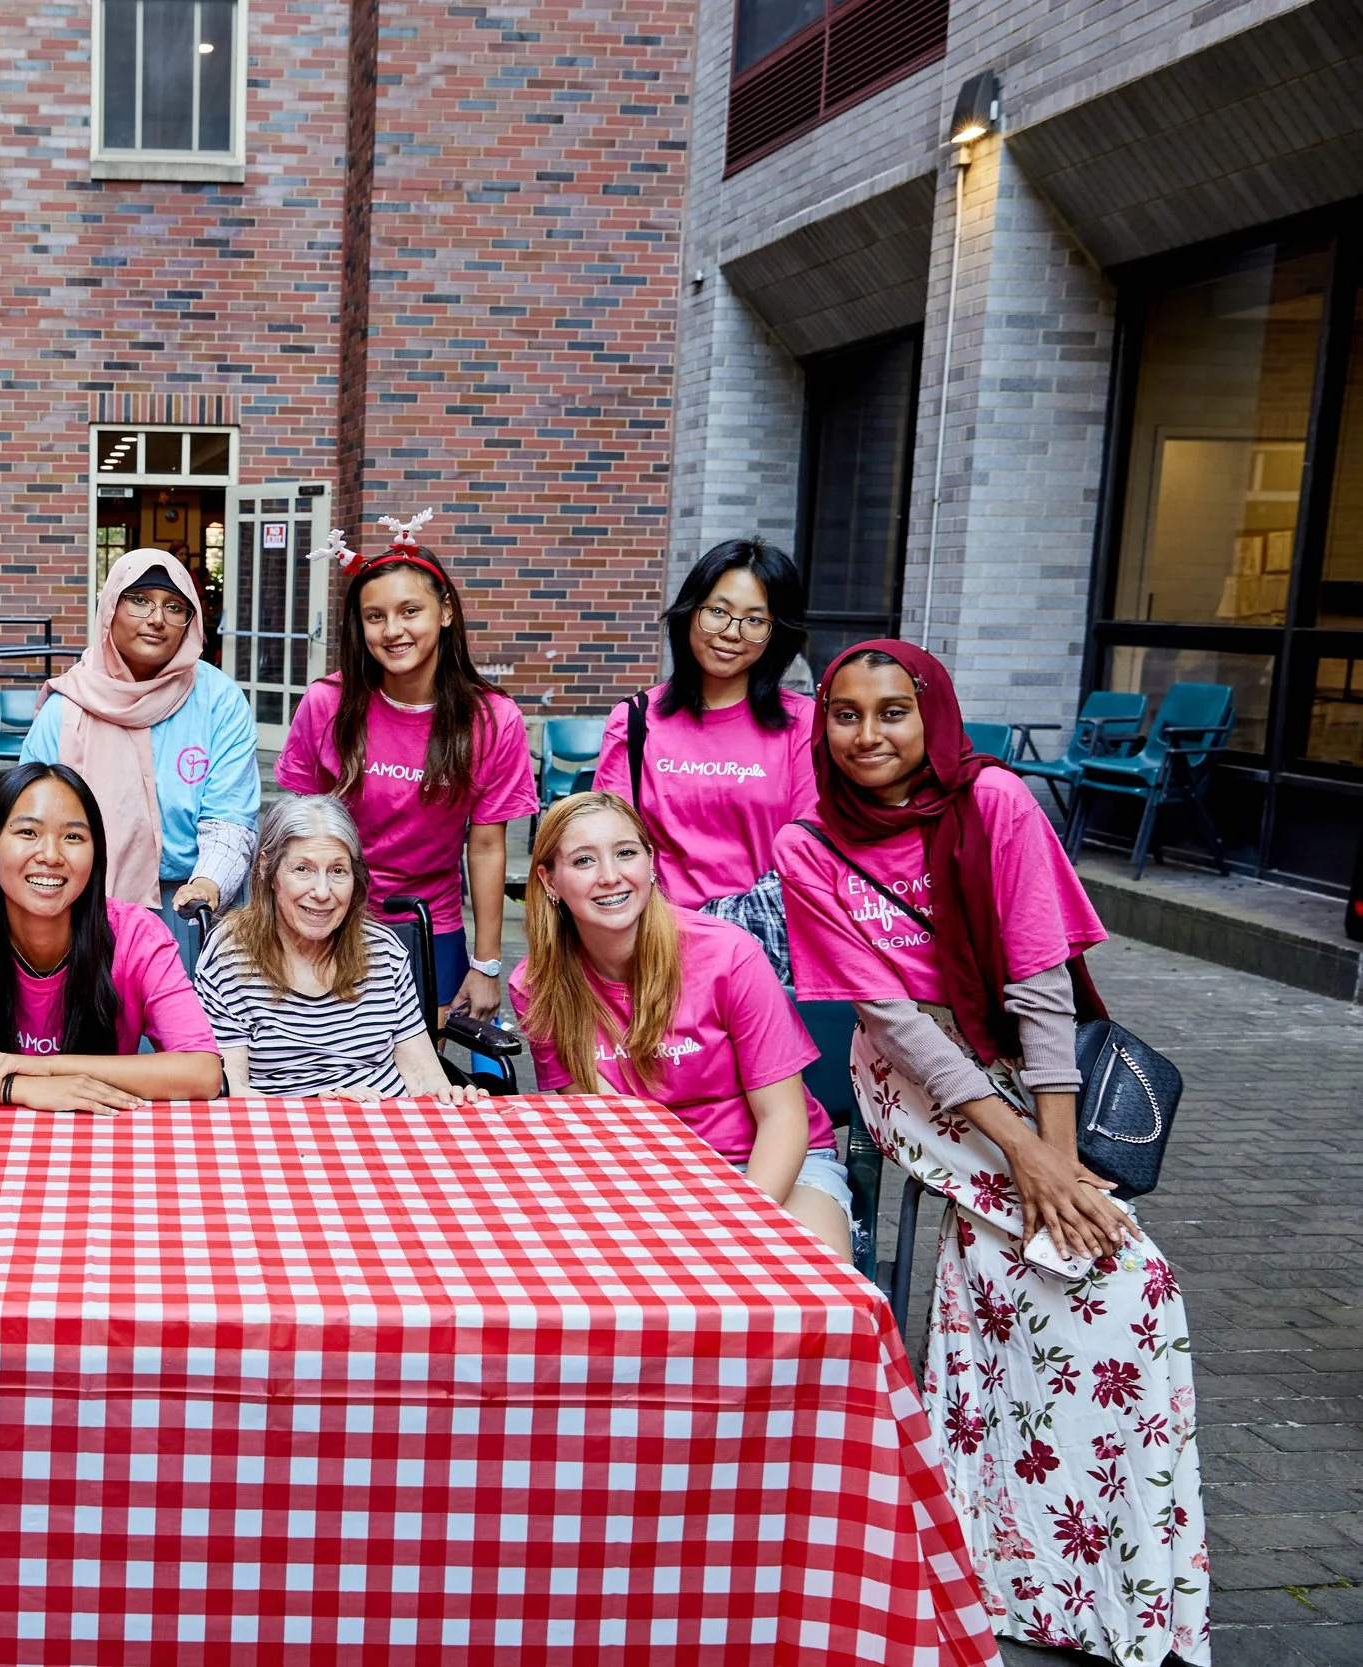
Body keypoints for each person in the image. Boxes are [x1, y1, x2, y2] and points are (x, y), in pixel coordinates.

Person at [774, 641, 1207, 1664]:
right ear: (820, 724)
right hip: (916, 1081)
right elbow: (892, 1018)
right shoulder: (809, 844)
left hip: (1023, 1060)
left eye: (891, 711)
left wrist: (1055, 1156)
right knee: (1115, 1278)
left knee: (1090, 1278)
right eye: (844, 713)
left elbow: (1039, 983)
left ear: (933, 715)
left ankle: (1038, 1566)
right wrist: (1024, 1161)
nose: (868, 734)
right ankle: (1001, 1557)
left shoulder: (996, 802)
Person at [510, 792, 853, 1256]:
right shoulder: (538, 985)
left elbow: (783, 1118)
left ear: (650, 861)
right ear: (549, 881)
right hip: (641, 1170)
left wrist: (729, 1230)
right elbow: (611, 1126)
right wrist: (671, 1215)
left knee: (810, 1290)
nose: (611, 876)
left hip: (771, 1162)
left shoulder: (728, 955)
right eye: (584, 860)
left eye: (626, 853)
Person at [276, 510, 537, 1018]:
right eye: (375, 616)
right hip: (325, 917)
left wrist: (486, 964)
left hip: (429, 925)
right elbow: (296, 831)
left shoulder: (493, 719)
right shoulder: (327, 702)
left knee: (422, 1079)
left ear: (445, 613)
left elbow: (485, 847)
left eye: (409, 611)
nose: (392, 630)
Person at [0, 762, 223, 1113]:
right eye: (27, 832)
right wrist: (18, 1086)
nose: (50, 855)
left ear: (95, 856)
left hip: (106, 1139)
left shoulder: (136, 937)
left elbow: (201, 1072)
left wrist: (46, 1069)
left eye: (73, 837)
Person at [594, 537, 816, 983]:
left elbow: (808, 853)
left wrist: (729, 930)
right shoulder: (636, 720)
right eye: (718, 611)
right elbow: (609, 844)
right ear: (690, 611)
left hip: (760, 956)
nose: (732, 633)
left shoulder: (804, 724)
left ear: (777, 633)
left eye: (755, 620)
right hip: (652, 951)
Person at [19, 548, 260, 926]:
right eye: (139, 601)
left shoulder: (219, 700)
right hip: (81, 904)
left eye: (175, 607)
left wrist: (207, 884)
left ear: (190, 621)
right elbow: (29, 821)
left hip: (190, 908)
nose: (157, 619)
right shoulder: (64, 710)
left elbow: (229, 816)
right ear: (110, 608)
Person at [193, 795, 483, 1103]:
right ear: (268, 869)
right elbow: (231, 1089)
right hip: (286, 1131)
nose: (322, 892)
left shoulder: (383, 950)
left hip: (387, 1123)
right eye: (303, 869)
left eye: (338, 871)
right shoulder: (229, 956)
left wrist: (443, 1091)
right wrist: (318, 1109)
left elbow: (421, 1071)